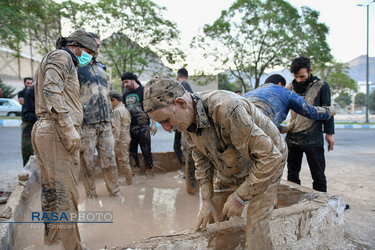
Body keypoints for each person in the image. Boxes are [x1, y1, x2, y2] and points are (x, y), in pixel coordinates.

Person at [143, 78, 287, 249]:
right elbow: (201, 161)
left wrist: (240, 197)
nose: (166, 129)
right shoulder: (185, 123)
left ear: (180, 103)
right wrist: (206, 200)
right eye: (160, 124)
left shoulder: (227, 108)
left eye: (166, 120)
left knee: (256, 222)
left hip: (266, 162)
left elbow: (271, 158)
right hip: (231, 162)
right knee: (214, 217)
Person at [32, 29, 97, 249]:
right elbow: (51, 89)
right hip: (57, 130)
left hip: (47, 128)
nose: (89, 57)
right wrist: (68, 126)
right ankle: (73, 247)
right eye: (88, 51)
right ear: (76, 45)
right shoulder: (62, 57)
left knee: (51, 192)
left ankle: (52, 241)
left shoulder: (56, 58)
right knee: (66, 194)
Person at [77, 32, 123, 201]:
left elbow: (106, 95)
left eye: (98, 46)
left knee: (110, 158)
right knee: (87, 162)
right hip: (86, 123)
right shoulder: (76, 67)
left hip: (104, 122)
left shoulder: (101, 69)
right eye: (94, 45)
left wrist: (111, 118)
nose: (96, 49)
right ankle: (91, 194)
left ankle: (114, 190)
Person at [285, 56, 335, 192]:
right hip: (293, 137)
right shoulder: (289, 87)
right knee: (292, 176)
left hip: (313, 139)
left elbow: (328, 110)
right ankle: (293, 205)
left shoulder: (321, 86)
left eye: (302, 76)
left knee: (318, 175)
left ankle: (322, 205)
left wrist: (329, 134)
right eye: (296, 77)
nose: (299, 80)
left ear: (310, 70)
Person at [243, 74, 335, 130]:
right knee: (277, 156)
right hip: (257, 130)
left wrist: (286, 128)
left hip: (235, 125)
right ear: (280, 84)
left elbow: (255, 121)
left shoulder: (249, 94)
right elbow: (310, 111)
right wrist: (329, 111)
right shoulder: (285, 92)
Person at [121, 72, 157, 176]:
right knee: (132, 150)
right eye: (123, 83)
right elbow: (123, 108)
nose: (125, 85)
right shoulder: (126, 93)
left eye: (126, 82)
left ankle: (149, 171)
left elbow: (151, 107)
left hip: (143, 125)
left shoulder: (143, 91)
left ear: (133, 80)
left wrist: (153, 123)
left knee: (146, 149)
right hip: (130, 126)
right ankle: (135, 170)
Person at [175, 68, 197, 193]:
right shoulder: (188, 86)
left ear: (178, 76)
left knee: (182, 148)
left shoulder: (182, 85)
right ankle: (187, 174)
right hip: (186, 123)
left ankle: (186, 173)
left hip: (183, 123)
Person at [109, 90, 133, 185]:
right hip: (126, 137)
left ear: (114, 100)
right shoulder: (125, 109)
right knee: (124, 161)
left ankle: (129, 182)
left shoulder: (117, 111)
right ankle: (127, 181)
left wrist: (114, 142)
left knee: (123, 161)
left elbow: (117, 129)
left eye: (109, 102)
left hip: (120, 139)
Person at [21, 84, 37, 166]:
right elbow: (28, 113)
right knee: (28, 148)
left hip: (45, 123)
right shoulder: (32, 91)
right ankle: (27, 171)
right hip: (30, 123)